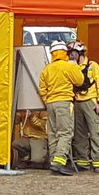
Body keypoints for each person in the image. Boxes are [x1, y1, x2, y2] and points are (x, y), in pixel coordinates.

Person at [38, 41, 87, 176]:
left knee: (53, 134)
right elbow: (80, 80)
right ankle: (59, 162)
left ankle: (54, 161)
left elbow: (42, 89)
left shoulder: (47, 69)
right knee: (65, 133)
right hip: (64, 103)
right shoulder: (68, 66)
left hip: (50, 104)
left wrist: (47, 101)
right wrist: (76, 67)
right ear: (64, 52)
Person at [67, 41, 99, 172]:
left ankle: (97, 162)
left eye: (72, 53)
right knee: (79, 134)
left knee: (95, 132)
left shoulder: (92, 65)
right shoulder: (72, 66)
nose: (70, 56)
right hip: (77, 102)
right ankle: (83, 161)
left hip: (91, 101)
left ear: (79, 53)